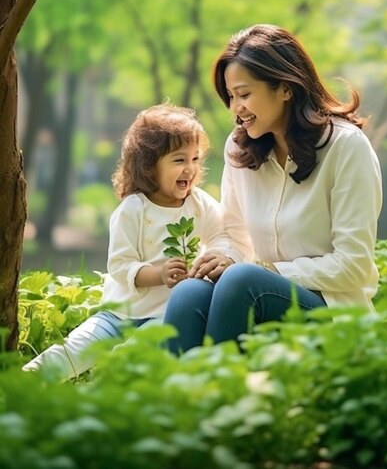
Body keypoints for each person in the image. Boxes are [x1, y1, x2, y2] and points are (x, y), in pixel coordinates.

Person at [163, 24, 383, 354]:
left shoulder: (346, 147)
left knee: (242, 282)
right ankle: (176, 399)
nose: (236, 108)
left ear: (284, 87)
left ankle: (219, 397)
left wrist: (266, 271)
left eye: (245, 94)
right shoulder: (240, 150)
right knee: (189, 293)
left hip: (334, 312)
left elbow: (353, 265)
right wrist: (223, 258)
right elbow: (236, 238)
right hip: (256, 295)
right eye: (232, 97)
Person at [22, 103, 232, 379]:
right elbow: (120, 265)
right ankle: (25, 382)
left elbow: (221, 234)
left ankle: (104, 391)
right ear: (149, 165)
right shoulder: (134, 209)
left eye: (195, 159)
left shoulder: (199, 203)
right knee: (76, 348)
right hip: (119, 312)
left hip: (163, 316)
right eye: (179, 160)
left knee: (132, 356)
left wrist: (215, 256)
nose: (190, 169)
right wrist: (158, 274)